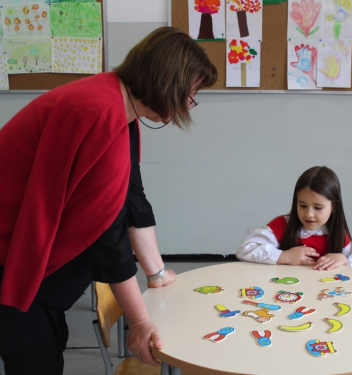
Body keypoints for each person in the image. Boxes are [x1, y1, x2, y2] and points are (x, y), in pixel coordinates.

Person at [0, 27, 217, 374]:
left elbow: (133, 199)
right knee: (33, 356)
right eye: (191, 93)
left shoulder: (119, 105)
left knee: (47, 346)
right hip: (13, 256)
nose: (190, 104)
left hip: (34, 259)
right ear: (168, 82)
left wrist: (156, 273)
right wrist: (140, 322)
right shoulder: (99, 112)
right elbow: (108, 237)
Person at [237, 166, 352, 270]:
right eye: (302, 205)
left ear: (334, 207)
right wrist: (284, 256)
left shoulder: (338, 235)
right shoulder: (282, 226)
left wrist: (344, 261)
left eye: (318, 208)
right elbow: (244, 249)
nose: (308, 214)